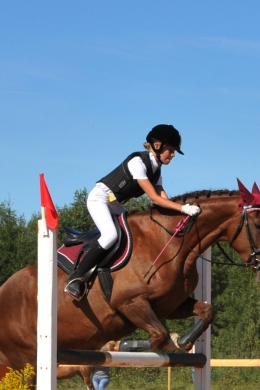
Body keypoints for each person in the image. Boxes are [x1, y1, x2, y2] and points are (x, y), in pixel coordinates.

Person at [64, 124, 201, 300]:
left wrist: (180, 213)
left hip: (115, 204)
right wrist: (183, 208)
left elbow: (164, 201)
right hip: (100, 199)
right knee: (110, 235)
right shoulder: (137, 163)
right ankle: (76, 278)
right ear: (157, 146)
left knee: (134, 234)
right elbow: (155, 198)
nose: (173, 154)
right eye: (171, 150)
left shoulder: (156, 171)